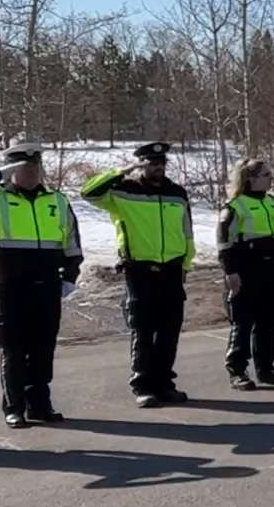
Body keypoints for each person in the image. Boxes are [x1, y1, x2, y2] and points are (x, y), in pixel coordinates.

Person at [0, 139, 85, 425]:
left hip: (47, 284)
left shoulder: (57, 200)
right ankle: (14, 407)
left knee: (43, 347)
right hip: (11, 286)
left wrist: (70, 277)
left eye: (36, 166)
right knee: (12, 349)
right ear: (12, 170)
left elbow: (72, 243)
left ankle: (40, 405)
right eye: (25, 167)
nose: (32, 172)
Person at [83, 142, 195, 408]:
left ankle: (164, 384)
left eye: (161, 162)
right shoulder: (123, 192)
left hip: (172, 269)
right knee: (144, 330)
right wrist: (123, 171)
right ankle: (143, 385)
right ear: (141, 164)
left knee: (169, 331)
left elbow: (186, 230)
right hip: (140, 270)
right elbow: (88, 192)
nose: (157, 166)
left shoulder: (176, 192)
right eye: (150, 162)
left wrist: (186, 264)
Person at [216, 158, 274, 390]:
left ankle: (266, 368)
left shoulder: (273, 203)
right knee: (242, 322)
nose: (271, 178)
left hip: (270, 271)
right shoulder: (235, 206)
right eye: (266, 175)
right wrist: (230, 273)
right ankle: (237, 371)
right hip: (245, 272)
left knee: (268, 322)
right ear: (250, 179)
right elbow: (224, 243)